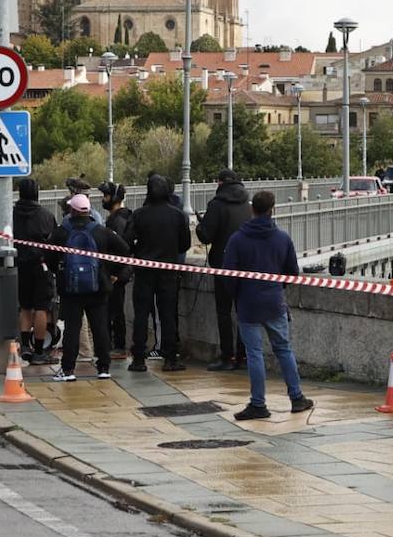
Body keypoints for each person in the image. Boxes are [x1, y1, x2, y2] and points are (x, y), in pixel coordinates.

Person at [221, 190, 313, 420]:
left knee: (254, 353)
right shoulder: (282, 238)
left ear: (253, 210)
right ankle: (297, 398)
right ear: (273, 210)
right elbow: (292, 272)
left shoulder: (238, 239)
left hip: (248, 303)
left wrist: (238, 295)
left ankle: (258, 404)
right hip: (274, 302)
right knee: (283, 349)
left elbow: (228, 275)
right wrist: (276, 288)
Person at [46, 193, 130, 381]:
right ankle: (103, 368)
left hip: (71, 288)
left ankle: (68, 370)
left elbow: (49, 256)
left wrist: (60, 272)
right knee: (100, 327)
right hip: (98, 287)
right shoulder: (100, 230)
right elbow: (124, 249)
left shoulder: (62, 232)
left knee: (72, 328)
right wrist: (112, 272)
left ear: (72, 210)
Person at [126, 173, 190, 372]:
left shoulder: (138, 215)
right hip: (168, 271)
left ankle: (138, 359)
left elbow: (127, 241)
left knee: (141, 314)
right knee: (168, 314)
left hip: (144, 270)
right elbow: (185, 244)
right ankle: (170, 357)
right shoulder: (178, 215)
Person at [197, 169, 252, 372]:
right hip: (246, 266)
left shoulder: (216, 205)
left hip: (223, 265)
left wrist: (200, 226)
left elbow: (206, 236)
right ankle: (242, 355)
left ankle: (227, 356)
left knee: (224, 312)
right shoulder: (247, 204)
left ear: (219, 183)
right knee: (242, 310)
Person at [13, 179, 57, 363]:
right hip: (41, 266)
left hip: (19, 266)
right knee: (41, 308)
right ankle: (39, 351)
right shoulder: (45, 215)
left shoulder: (11, 213)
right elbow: (54, 243)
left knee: (25, 307)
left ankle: (24, 346)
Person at [99, 182, 134, 359]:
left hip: (117, 273)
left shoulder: (118, 221)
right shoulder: (116, 218)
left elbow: (120, 248)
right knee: (112, 309)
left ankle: (118, 346)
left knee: (115, 310)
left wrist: (115, 273)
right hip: (117, 271)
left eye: (105, 196)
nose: (103, 199)